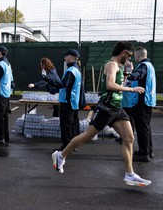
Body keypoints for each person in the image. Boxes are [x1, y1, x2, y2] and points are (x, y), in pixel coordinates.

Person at [52, 41, 151, 187]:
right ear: (123, 52)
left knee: (129, 138)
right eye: (129, 55)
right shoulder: (111, 65)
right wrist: (131, 90)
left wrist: (127, 74)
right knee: (87, 135)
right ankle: (60, 155)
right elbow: (110, 85)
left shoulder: (120, 67)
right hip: (108, 107)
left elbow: (120, 85)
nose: (129, 59)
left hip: (117, 108)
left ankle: (129, 174)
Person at [44, 49, 82, 151]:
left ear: (72, 57)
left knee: (66, 125)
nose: (64, 58)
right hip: (74, 101)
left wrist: (48, 80)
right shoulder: (77, 69)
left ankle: (66, 146)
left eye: (66, 56)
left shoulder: (71, 71)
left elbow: (62, 84)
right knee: (73, 124)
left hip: (67, 101)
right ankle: (73, 145)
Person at [125, 46, 156, 162]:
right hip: (149, 100)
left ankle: (144, 154)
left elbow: (139, 74)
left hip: (141, 102)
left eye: (135, 56)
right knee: (146, 127)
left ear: (138, 56)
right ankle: (149, 150)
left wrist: (130, 73)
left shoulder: (143, 66)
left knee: (142, 128)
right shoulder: (150, 66)